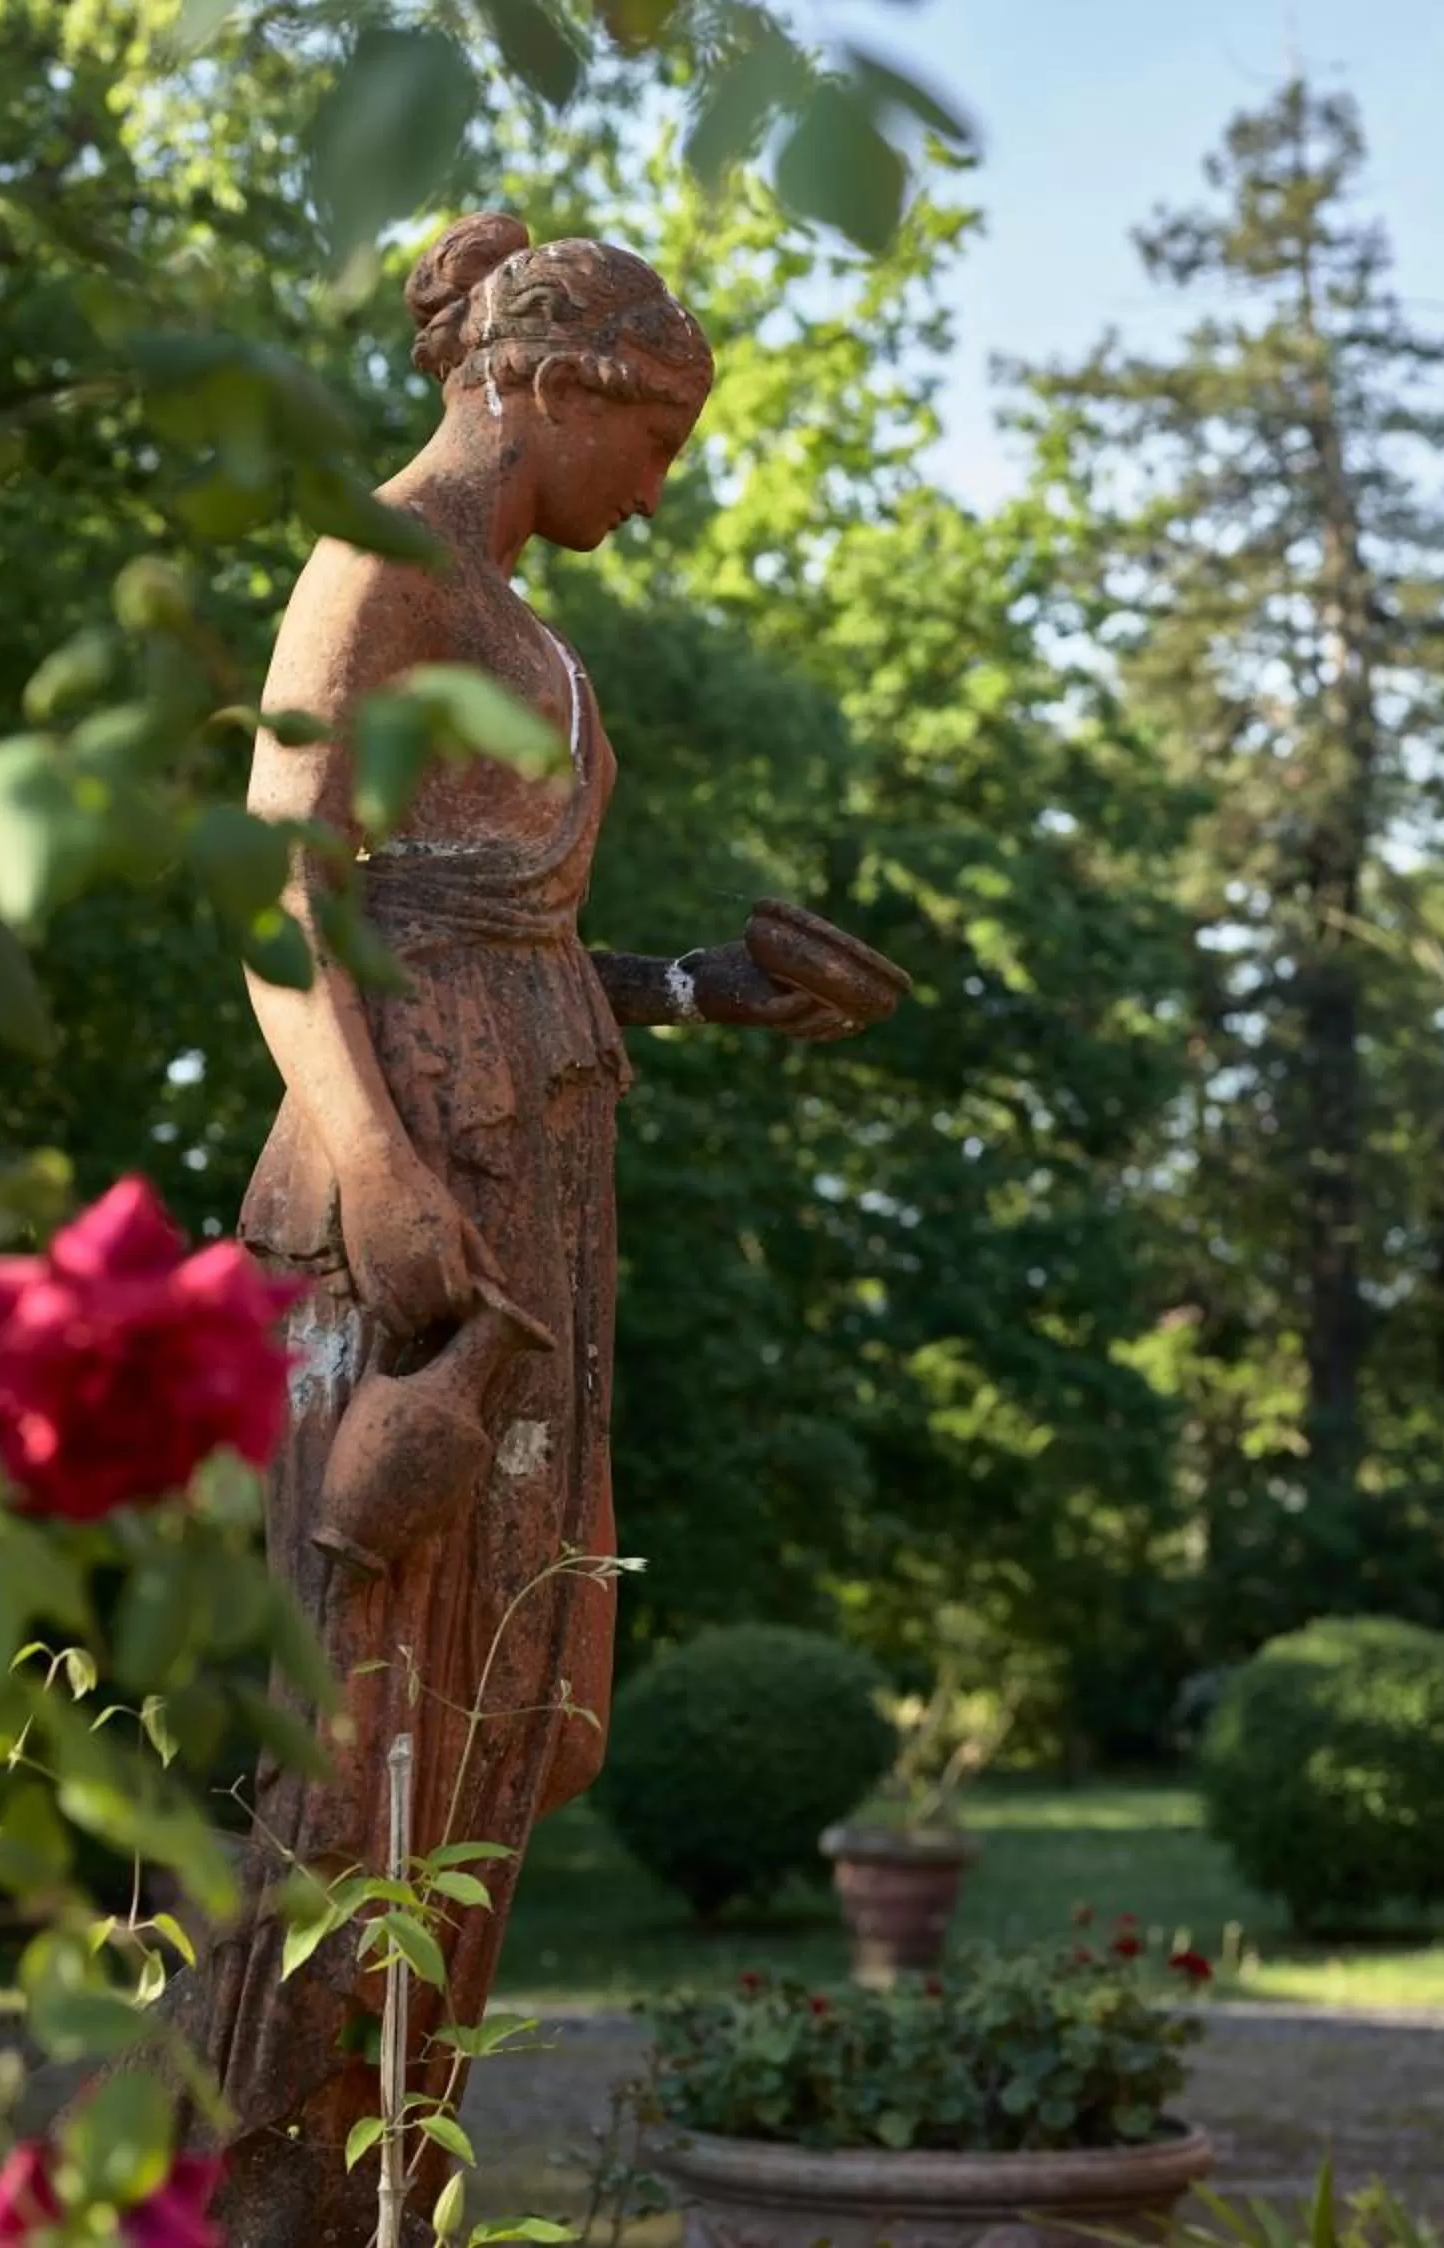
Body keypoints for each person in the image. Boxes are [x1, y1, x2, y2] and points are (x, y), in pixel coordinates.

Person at [175, 211, 881, 2248]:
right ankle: (246, 2182)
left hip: (536, 1165)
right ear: (558, 381)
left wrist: (689, 989)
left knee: (481, 1718)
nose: (658, 491)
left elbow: (502, 934)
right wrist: (379, 1163)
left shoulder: (513, 607)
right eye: (656, 439)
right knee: (350, 1716)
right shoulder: (384, 557)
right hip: (408, 1200)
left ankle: (396, 2182)